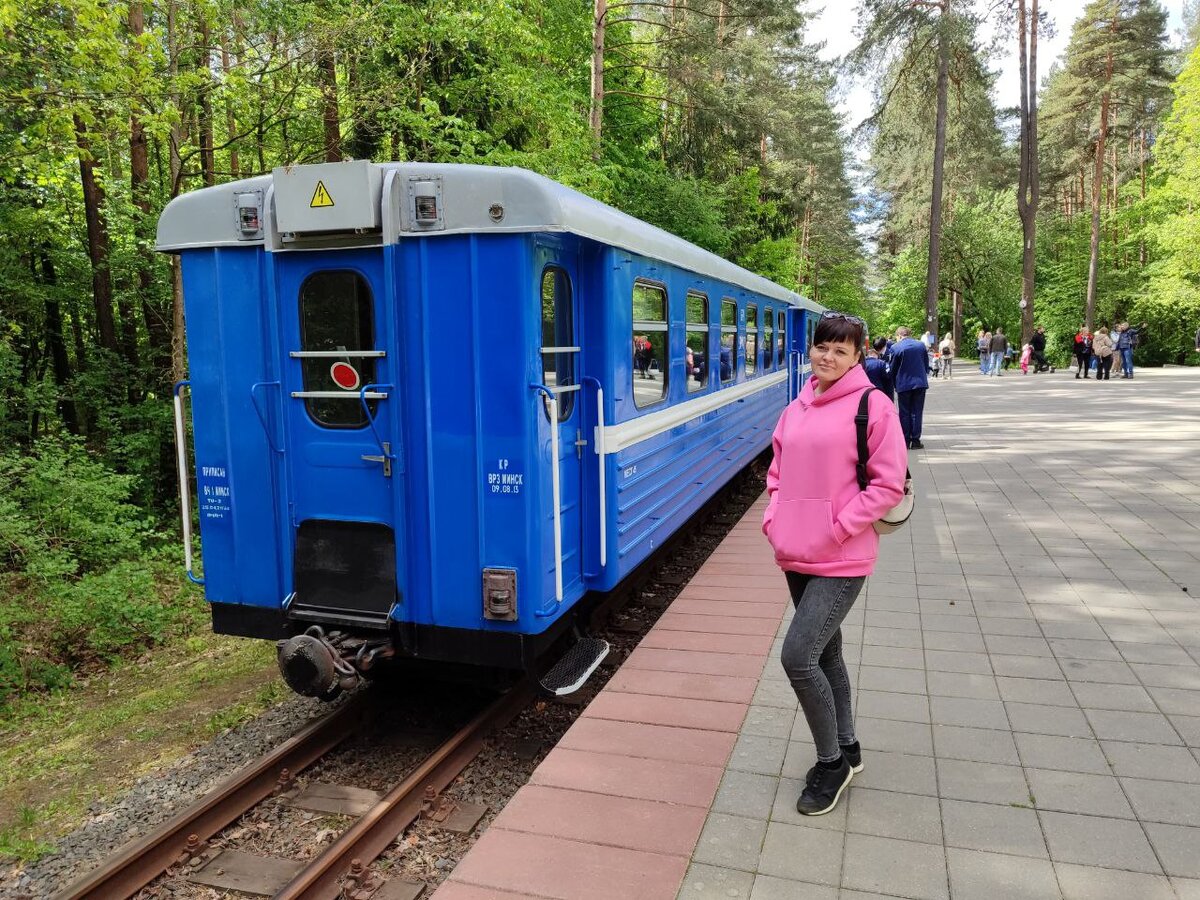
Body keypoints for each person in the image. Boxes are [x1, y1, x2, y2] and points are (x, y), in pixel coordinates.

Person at [762, 310, 907, 816]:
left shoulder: (874, 406)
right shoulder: (797, 405)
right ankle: (848, 746)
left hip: (842, 558)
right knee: (826, 656)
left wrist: (840, 527)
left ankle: (831, 764)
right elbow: (777, 469)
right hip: (794, 552)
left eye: (840, 349)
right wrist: (774, 515)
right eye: (822, 346)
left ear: (857, 354)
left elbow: (888, 484)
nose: (828, 356)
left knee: (798, 657)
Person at [890, 326, 930, 449]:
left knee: (904, 413)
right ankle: (916, 440)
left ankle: (906, 440)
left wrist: (894, 384)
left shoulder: (895, 347)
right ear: (909, 334)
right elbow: (925, 364)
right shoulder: (921, 345)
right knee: (917, 412)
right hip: (920, 383)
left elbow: (892, 369)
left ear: (899, 335)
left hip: (903, 384)